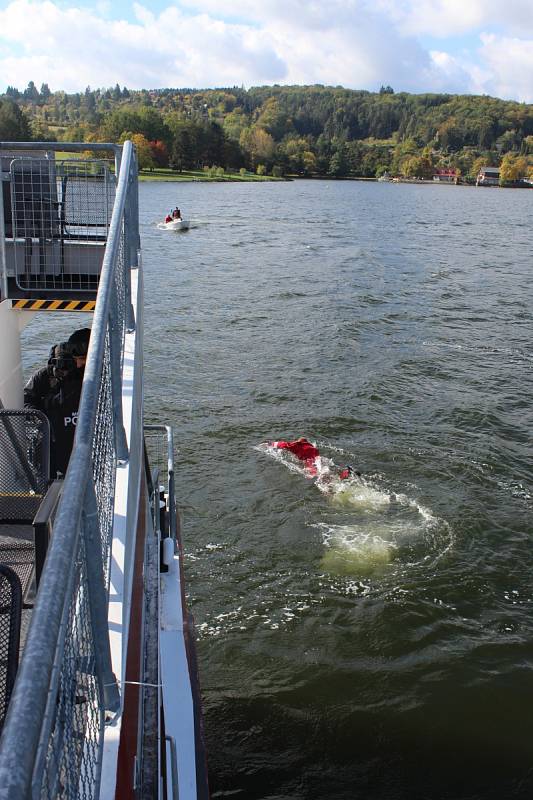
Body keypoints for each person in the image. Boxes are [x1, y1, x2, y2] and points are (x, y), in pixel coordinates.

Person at [24, 327, 91, 477]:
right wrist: (41, 418)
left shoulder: (88, 376)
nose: (81, 365)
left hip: (79, 441)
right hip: (51, 441)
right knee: (46, 480)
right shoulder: (44, 376)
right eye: (80, 360)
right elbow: (27, 400)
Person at [270, 437, 358, 480]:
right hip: (319, 459)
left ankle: (331, 490)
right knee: (328, 469)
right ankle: (346, 472)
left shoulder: (295, 447)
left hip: (310, 462)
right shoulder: (312, 448)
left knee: (319, 475)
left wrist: (269, 445)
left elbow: (282, 444)